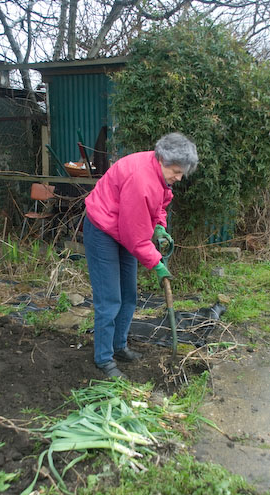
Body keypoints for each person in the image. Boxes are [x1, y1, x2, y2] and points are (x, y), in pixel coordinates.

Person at [83, 132, 198, 378]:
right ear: (163, 160)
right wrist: (157, 263)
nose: (179, 177)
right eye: (176, 171)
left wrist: (159, 226)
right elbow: (135, 237)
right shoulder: (141, 180)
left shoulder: (159, 174)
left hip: (122, 227)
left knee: (129, 295)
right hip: (103, 230)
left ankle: (119, 346)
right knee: (109, 299)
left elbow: (159, 205)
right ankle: (103, 358)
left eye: (182, 172)